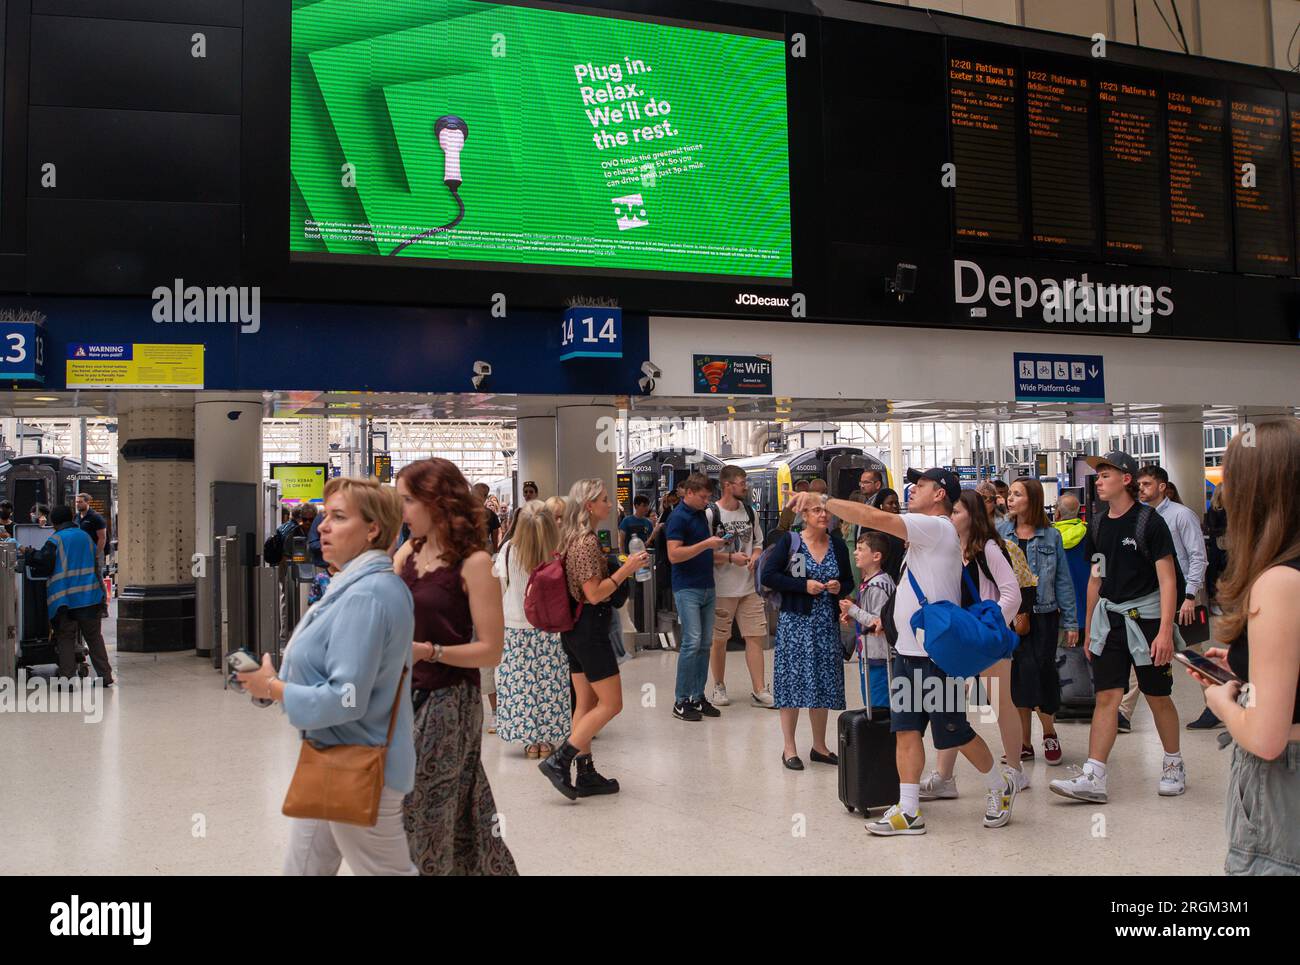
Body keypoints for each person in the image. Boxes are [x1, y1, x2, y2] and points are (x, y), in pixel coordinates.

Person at [791, 468, 1019, 834]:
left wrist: (823, 501)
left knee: (954, 732)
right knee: (906, 729)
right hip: (908, 652)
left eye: (922, 485)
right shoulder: (923, 536)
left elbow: (872, 517)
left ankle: (999, 784)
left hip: (936, 656)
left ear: (940, 493)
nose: (913, 490)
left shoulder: (937, 527)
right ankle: (908, 809)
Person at [235, 477, 416, 875]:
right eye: (323, 516)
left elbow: (345, 698)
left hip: (360, 764)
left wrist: (276, 688)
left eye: (338, 517)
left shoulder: (366, 595)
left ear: (372, 529)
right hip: (334, 759)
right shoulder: (354, 586)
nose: (321, 527)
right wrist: (271, 686)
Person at [1180, 420, 1300, 876]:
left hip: (1282, 785)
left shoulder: (1277, 582)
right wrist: (1248, 666)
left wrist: (1221, 699)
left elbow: (1266, 737)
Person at [395, 460, 517, 875]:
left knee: (426, 806)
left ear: (437, 502)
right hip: (407, 697)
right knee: (464, 806)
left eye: (409, 500)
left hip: (451, 702)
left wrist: (431, 651)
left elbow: (490, 650)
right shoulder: (407, 555)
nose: (403, 511)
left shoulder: (474, 564)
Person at [1049, 451, 1186, 805]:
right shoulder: (1097, 524)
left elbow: (1167, 580)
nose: (1098, 480)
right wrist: (1090, 627)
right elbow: (1096, 578)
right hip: (1109, 622)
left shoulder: (1150, 523)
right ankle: (1094, 774)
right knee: (1107, 696)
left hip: (1148, 621)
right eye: (1098, 475)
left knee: (1157, 696)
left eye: (1105, 474)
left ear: (1126, 479)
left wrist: (1166, 631)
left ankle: (1173, 762)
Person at [537, 478, 648, 799]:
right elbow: (595, 593)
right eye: (603, 499)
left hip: (574, 630)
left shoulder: (573, 538)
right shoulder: (585, 543)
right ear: (589, 505)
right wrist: (627, 570)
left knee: (584, 703)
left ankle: (585, 773)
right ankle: (561, 759)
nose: (609, 504)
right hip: (589, 629)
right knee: (611, 703)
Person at [920, 490, 1024, 799]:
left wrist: (989, 627)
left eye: (956, 512)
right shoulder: (948, 549)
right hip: (958, 639)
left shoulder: (989, 548)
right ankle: (945, 776)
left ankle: (1015, 769)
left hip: (986, 638)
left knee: (1000, 702)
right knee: (950, 705)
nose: (950, 518)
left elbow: (1012, 594)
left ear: (972, 516)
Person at [761, 496, 852, 769]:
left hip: (826, 625)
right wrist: (803, 587)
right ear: (804, 515)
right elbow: (769, 576)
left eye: (826, 510)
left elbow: (848, 579)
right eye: (816, 510)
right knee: (793, 684)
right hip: (796, 625)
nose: (823, 515)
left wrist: (839, 587)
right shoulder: (792, 542)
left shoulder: (836, 544)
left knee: (822, 682)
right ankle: (789, 747)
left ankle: (819, 746)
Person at [999, 478, 1078, 765]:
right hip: (1011, 617)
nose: (1010, 498)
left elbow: (1063, 580)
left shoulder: (1051, 536)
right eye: (1009, 494)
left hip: (1044, 614)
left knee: (1043, 672)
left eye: (1017, 494)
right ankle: (1022, 742)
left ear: (1031, 499)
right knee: (1017, 677)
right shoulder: (1001, 532)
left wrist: (1071, 622)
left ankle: (1048, 732)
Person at [1132, 465, 1212, 730]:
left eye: (1146, 484)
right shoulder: (1141, 517)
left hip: (1183, 595)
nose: (1140, 489)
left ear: (1162, 486)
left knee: (1192, 652)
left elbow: (1198, 556)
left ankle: (1215, 705)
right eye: (1139, 485)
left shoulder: (1181, 515)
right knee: (1142, 649)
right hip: (1153, 597)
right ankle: (1123, 710)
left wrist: (1190, 595)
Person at [493, 500, 570, 759]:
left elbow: (501, 586)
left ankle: (529, 740)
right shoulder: (556, 552)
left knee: (521, 684)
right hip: (550, 627)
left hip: (515, 625)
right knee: (549, 682)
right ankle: (547, 738)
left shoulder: (507, 552)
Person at [707, 466, 774, 709]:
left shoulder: (749, 512)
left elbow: (758, 541)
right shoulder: (711, 514)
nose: (746, 486)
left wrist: (756, 556)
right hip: (721, 588)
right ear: (727, 485)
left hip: (749, 587)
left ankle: (759, 689)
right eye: (742, 482)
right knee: (719, 639)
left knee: (755, 636)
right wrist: (728, 559)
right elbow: (703, 552)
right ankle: (719, 685)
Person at [25, 505, 112, 686]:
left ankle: (68, 680)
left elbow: (44, 563)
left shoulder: (55, 540)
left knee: (65, 638)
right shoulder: (86, 537)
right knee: (94, 637)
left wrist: (29, 553)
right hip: (90, 596)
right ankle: (105, 676)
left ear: (54, 523)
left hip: (65, 600)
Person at [666, 473, 727, 720]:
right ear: (689, 493)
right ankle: (680, 700)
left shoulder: (702, 515)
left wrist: (725, 553)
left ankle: (697, 695)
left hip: (706, 585)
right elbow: (674, 555)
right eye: (702, 497)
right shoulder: (677, 518)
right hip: (687, 587)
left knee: (704, 644)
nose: (706, 501)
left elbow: (702, 551)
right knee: (691, 642)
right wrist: (705, 545)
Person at [839, 531, 896, 709]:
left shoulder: (879, 586)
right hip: (870, 657)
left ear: (876, 556)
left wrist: (854, 610)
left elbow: (881, 622)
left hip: (881, 658)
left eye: (860, 549)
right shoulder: (870, 583)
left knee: (879, 710)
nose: (855, 553)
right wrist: (855, 619)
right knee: (871, 706)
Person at [74, 492, 107, 561]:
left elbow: (102, 538)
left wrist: (96, 554)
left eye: (80, 502)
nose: (77, 504)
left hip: (94, 553)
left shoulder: (96, 517)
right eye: (76, 502)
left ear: (87, 502)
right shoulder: (76, 516)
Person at [471, 483, 503, 554]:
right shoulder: (491, 514)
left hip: (468, 551)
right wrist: (495, 553)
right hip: (485, 551)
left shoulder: (462, 512)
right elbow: (495, 538)